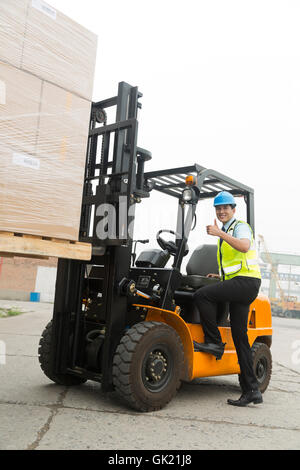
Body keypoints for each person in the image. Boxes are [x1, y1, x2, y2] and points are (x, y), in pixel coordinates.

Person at [193, 191, 262, 407]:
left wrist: (219, 234)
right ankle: (252, 390)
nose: (221, 211)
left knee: (202, 295)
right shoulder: (226, 230)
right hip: (241, 282)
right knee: (240, 337)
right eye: (218, 208)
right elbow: (236, 263)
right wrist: (221, 277)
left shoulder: (239, 227)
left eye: (225, 208)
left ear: (234, 209)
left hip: (247, 283)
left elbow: (244, 246)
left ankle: (214, 342)